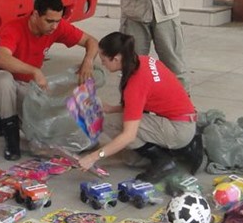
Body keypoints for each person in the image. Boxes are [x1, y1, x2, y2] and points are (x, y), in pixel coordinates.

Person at [0, 0, 98, 161]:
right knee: (4, 81)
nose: (54, 26)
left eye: (58, 21)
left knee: (44, 131)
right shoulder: (14, 28)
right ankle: (12, 142)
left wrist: (88, 61)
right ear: (35, 14)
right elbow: (1, 58)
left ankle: (3, 116)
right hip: (0, 78)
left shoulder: (56, 26)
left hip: (27, 87)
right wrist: (34, 71)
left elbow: (92, 41)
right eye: (49, 21)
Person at [77, 32, 202, 181]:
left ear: (116, 59)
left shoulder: (135, 85)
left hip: (179, 130)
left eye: (104, 60)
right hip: (184, 119)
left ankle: (162, 161)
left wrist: (93, 157)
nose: (103, 64)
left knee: (110, 124)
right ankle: (176, 150)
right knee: (126, 145)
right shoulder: (144, 61)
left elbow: (128, 135)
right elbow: (141, 103)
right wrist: (110, 108)